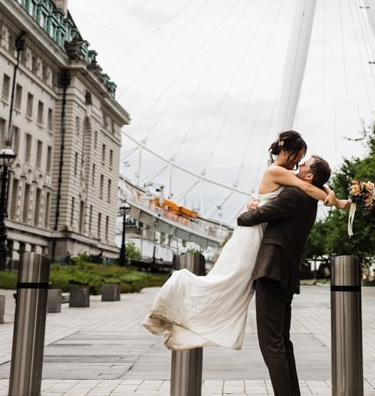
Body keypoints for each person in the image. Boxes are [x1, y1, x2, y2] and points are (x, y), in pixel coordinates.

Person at [142, 130, 345, 350]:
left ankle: (190, 322)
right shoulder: (276, 171)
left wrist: (330, 192)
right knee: (228, 280)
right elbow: (308, 185)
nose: (299, 162)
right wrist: (337, 202)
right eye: (299, 155)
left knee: (236, 286)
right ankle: (177, 293)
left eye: (303, 159)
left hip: (260, 233)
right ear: (288, 150)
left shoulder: (286, 173)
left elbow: (313, 182)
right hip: (253, 234)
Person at [237, 153, 335, 396]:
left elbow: (251, 218)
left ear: (309, 177)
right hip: (286, 274)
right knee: (284, 344)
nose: (297, 167)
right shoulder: (309, 199)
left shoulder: (294, 195)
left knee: (273, 346)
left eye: (303, 166)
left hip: (272, 272)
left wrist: (248, 208)